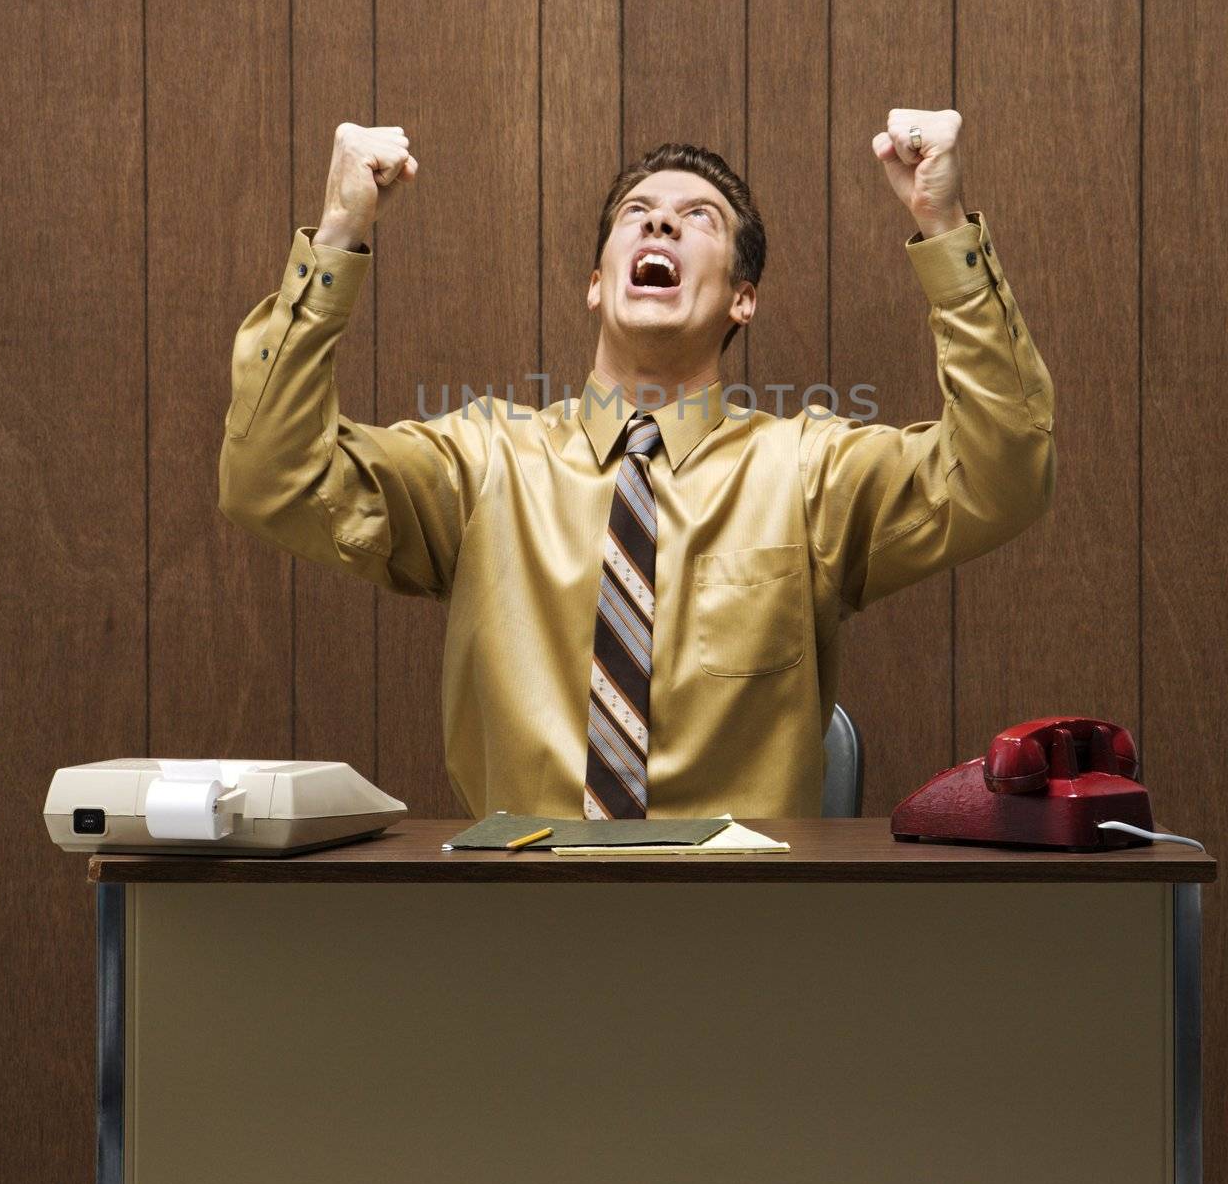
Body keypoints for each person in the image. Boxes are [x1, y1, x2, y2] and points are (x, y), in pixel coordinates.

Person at [218, 112, 1055, 819]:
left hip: (740, 938)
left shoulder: (808, 472)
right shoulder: (483, 463)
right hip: (517, 926)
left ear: (742, 298)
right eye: (637, 213)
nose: (660, 223)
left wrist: (946, 232)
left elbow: (1002, 473)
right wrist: (337, 234)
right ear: (595, 284)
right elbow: (271, 477)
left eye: (700, 218)